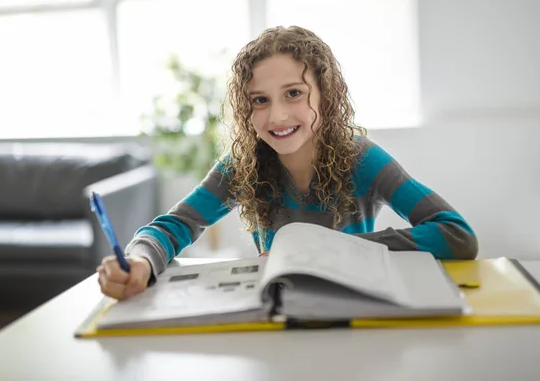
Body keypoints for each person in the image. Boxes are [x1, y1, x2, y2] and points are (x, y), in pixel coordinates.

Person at [97, 26, 478, 300]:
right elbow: (177, 225)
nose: (277, 116)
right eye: (259, 100)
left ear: (325, 95)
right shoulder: (242, 164)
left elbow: (456, 234)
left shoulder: (362, 158)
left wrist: (333, 249)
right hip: (277, 310)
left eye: (293, 93)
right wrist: (139, 260)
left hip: (354, 309)